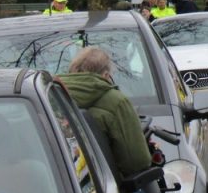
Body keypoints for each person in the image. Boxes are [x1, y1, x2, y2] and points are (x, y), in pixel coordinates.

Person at [57, 47, 151, 180]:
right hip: (108, 185)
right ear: (106, 75)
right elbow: (136, 163)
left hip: (65, 183)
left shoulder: (52, 94)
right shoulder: (117, 102)